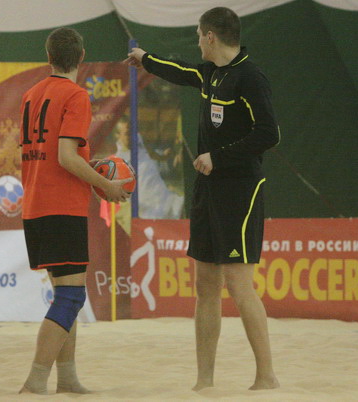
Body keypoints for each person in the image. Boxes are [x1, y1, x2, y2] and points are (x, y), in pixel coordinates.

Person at [126, 7, 280, 391]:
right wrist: (145, 59)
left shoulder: (250, 76)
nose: (197, 42)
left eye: (198, 35)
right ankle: (204, 381)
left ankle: (267, 377)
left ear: (210, 36)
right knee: (205, 284)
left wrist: (219, 157)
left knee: (239, 284)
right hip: (207, 189)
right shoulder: (211, 73)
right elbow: (180, 70)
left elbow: (269, 134)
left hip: (240, 190)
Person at [18, 27, 131, 395]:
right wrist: (105, 185)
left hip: (36, 205)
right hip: (61, 207)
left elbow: (53, 154)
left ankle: (66, 378)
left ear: (48, 56)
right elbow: (65, 157)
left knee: (66, 295)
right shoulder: (76, 95)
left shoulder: (32, 95)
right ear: (81, 58)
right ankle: (35, 381)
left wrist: (89, 166)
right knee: (71, 298)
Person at [112, 117, 184, 219]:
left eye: (133, 131)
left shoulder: (138, 140)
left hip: (166, 197)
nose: (132, 136)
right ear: (118, 135)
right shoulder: (118, 162)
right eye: (128, 133)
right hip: (150, 210)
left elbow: (150, 152)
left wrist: (163, 156)